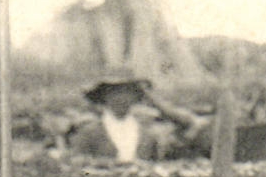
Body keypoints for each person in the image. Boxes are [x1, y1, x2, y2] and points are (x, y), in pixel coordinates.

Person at [69, 69, 208, 163]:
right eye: (115, 93)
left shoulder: (147, 133)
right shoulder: (89, 132)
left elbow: (187, 126)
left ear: (135, 97)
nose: (121, 99)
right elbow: (79, 167)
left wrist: (156, 103)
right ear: (104, 97)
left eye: (127, 93)